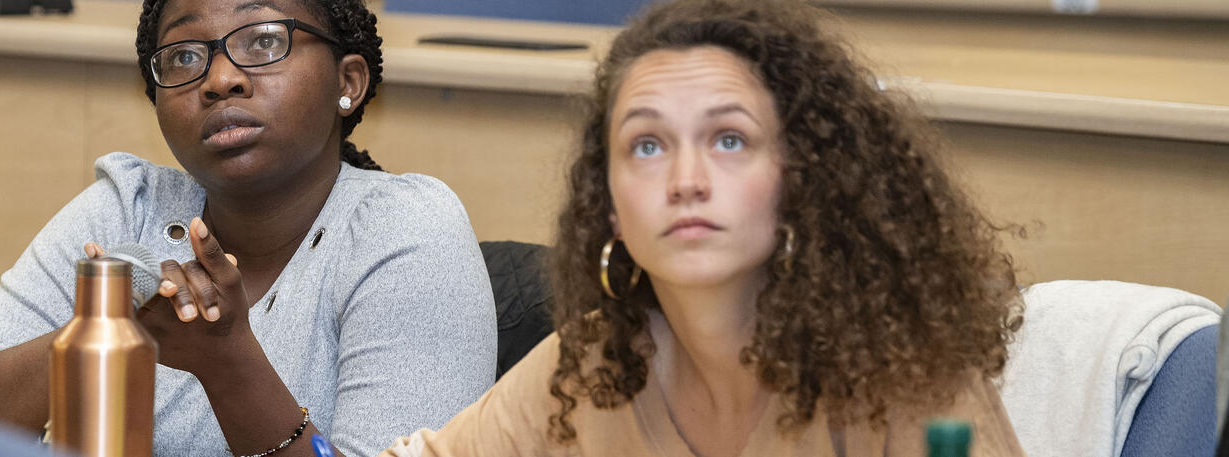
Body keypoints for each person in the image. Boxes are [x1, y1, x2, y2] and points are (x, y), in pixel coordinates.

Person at [381, 0, 1026, 455]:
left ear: (800, 180)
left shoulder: (901, 380)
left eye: (729, 139)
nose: (686, 179)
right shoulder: (591, 367)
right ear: (610, 207)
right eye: (647, 146)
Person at [0, 0, 498, 455]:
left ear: (349, 82)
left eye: (263, 41)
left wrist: (228, 365)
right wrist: (96, 337)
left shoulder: (404, 229)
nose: (220, 78)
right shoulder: (128, 209)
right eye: (185, 57)